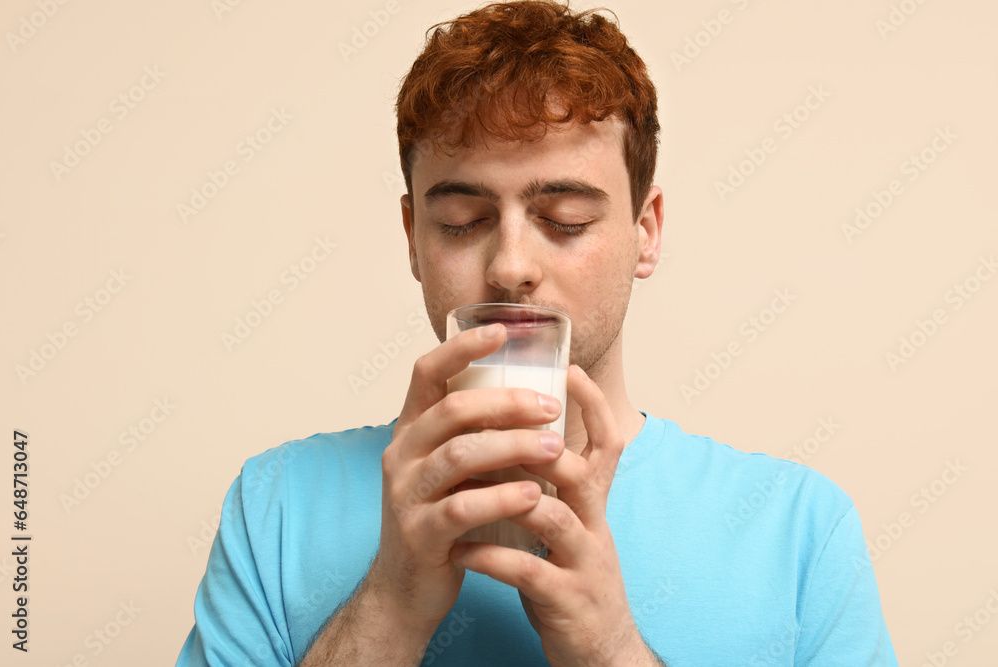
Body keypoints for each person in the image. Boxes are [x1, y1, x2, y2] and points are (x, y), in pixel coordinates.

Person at [176, 2, 899, 665]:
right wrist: (389, 605)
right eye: (462, 220)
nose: (511, 267)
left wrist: (609, 644)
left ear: (645, 233)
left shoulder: (798, 528)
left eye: (565, 220)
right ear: (412, 238)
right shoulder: (273, 504)